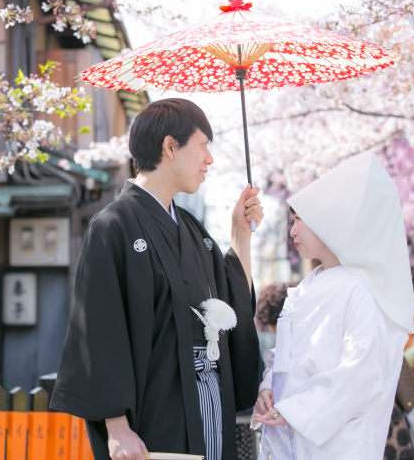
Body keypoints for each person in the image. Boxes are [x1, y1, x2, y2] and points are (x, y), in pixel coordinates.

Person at [50, 98, 262, 460]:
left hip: (210, 404)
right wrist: (117, 427)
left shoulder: (193, 230)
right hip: (156, 412)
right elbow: (99, 329)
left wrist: (240, 234)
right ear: (170, 147)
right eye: (203, 145)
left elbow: (231, 303)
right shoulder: (113, 226)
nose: (209, 159)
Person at [253, 151, 414, 460]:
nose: (293, 230)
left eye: (299, 220)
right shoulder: (308, 285)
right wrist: (268, 388)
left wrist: (296, 411)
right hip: (289, 430)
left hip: (332, 445)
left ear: (331, 223)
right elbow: (284, 359)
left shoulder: (359, 291)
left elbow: (361, 374)